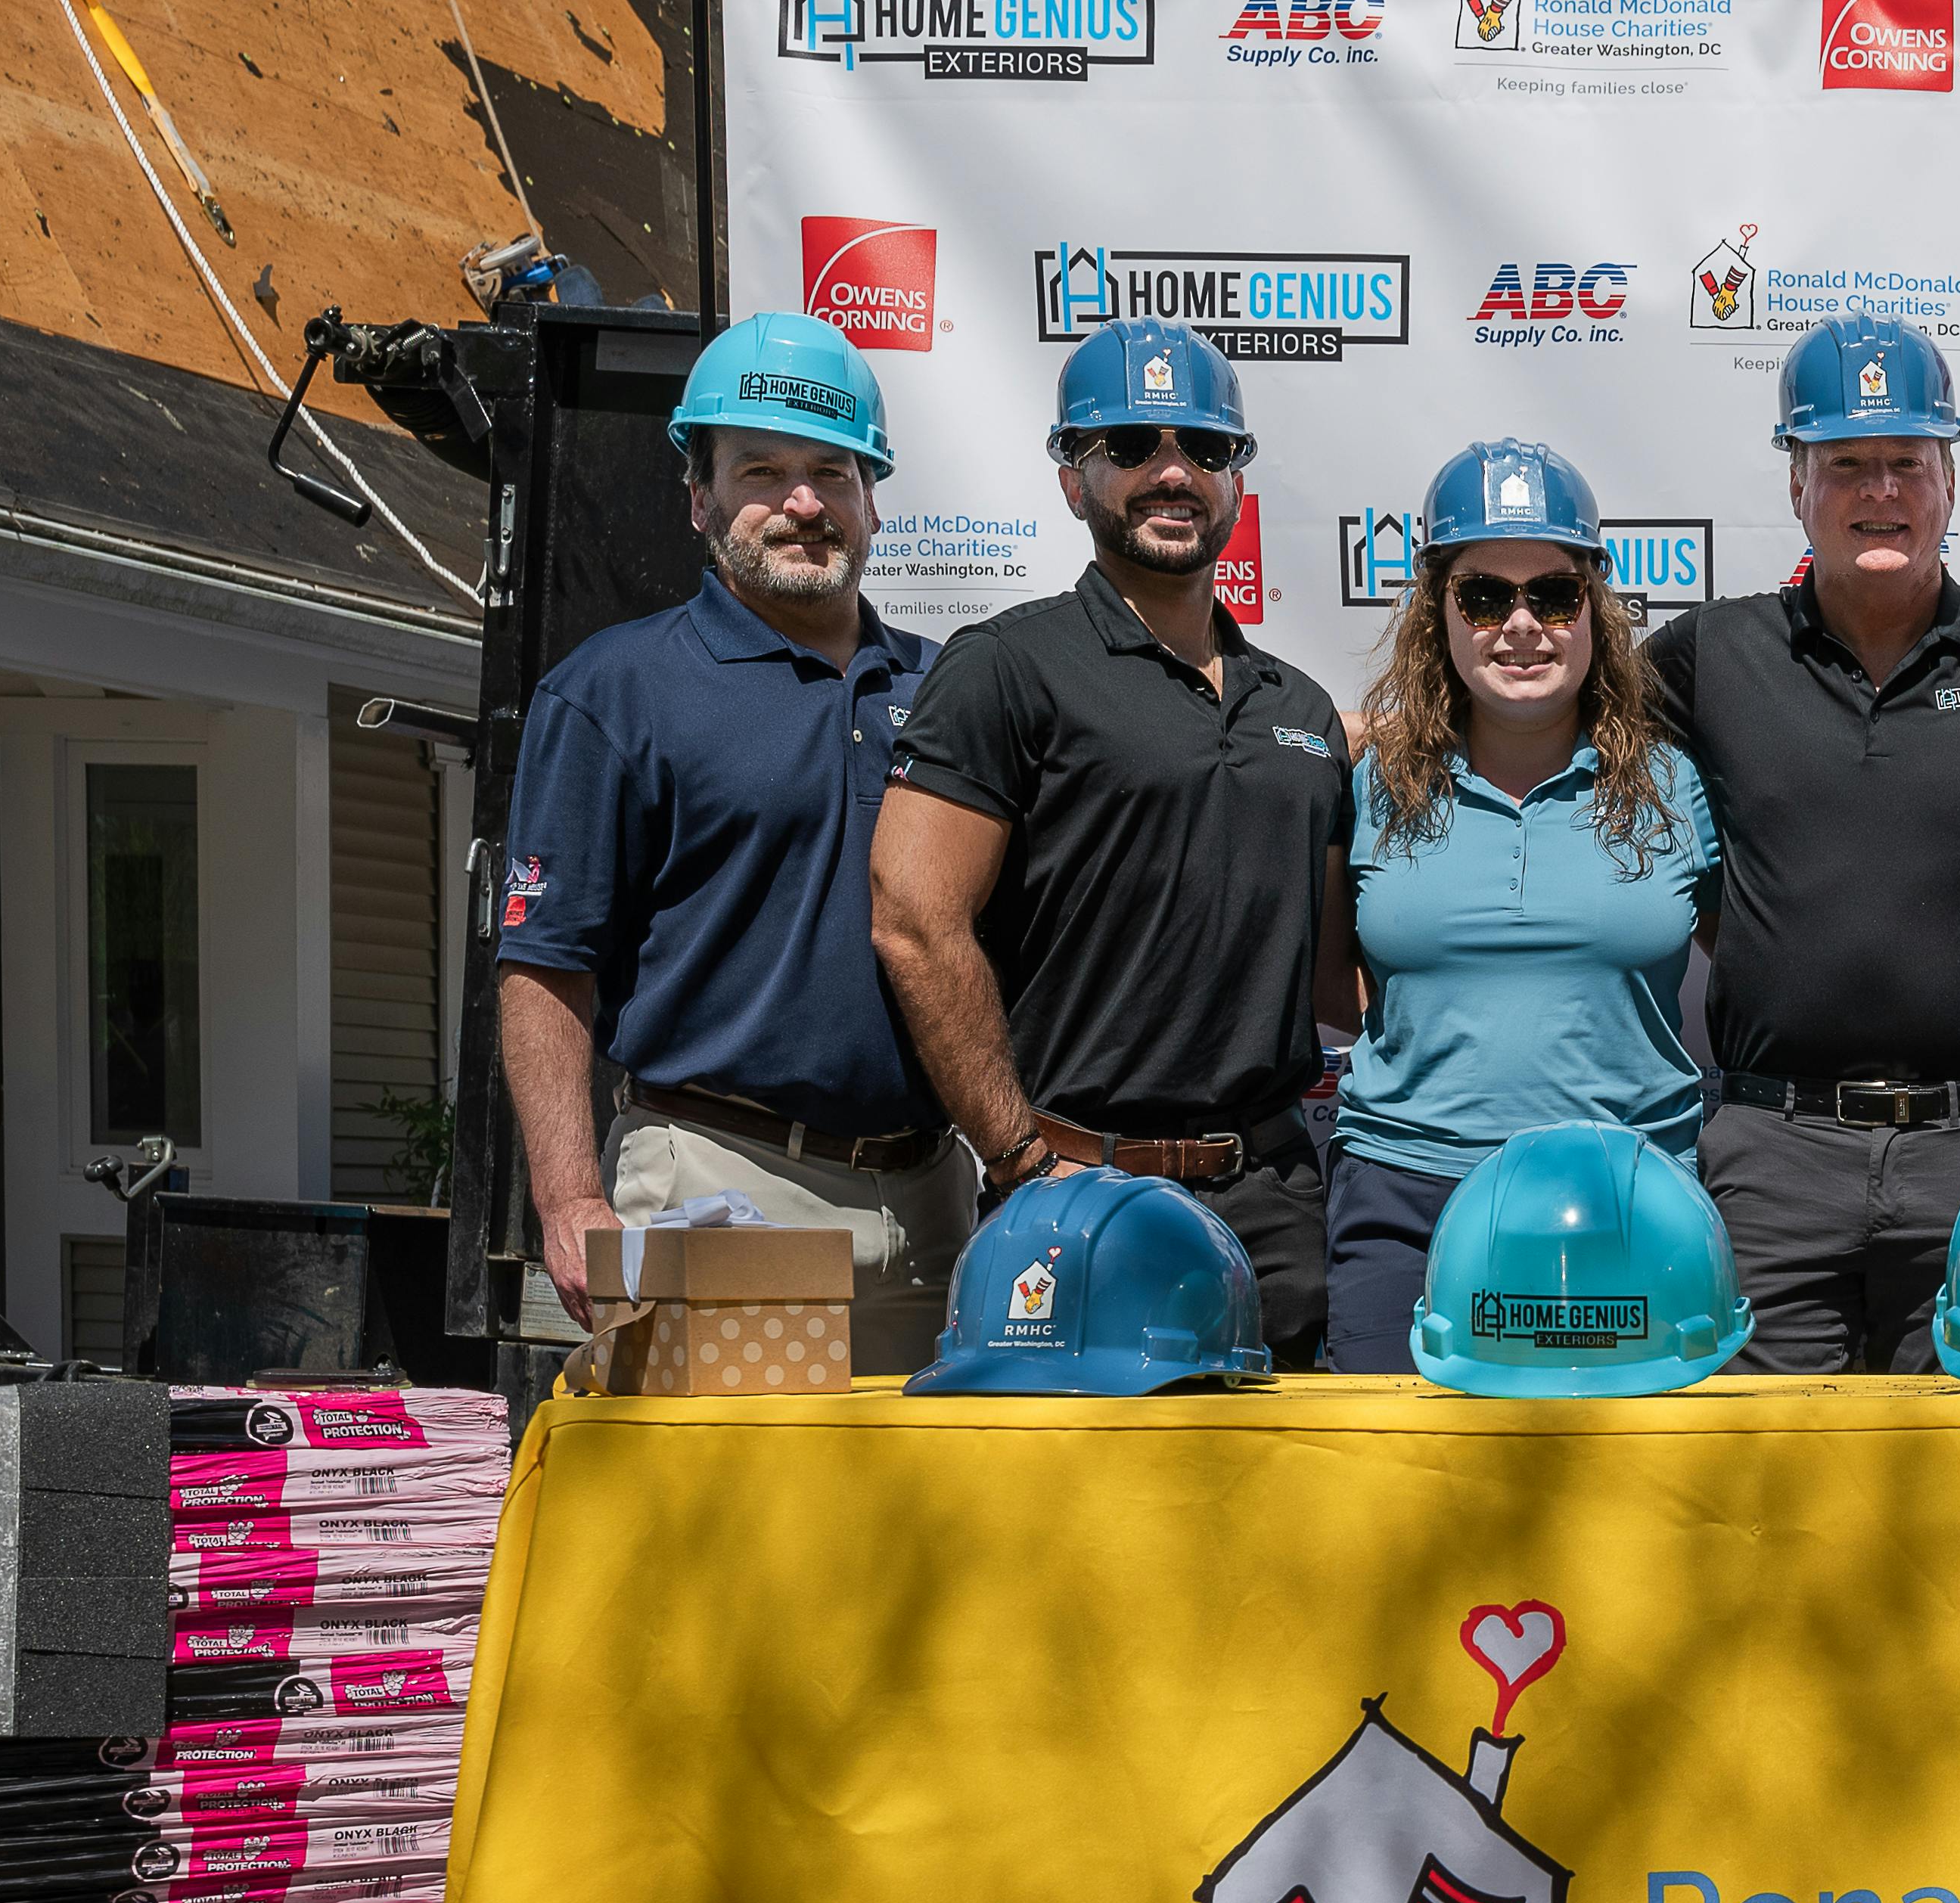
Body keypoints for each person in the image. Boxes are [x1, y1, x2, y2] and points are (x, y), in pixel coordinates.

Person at [870, 316, 1354, 1369]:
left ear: (1235, 479)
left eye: (1204, 449)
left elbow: (1335, 987)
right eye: (1130, 446)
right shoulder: (1004, 666)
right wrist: (1018, 1158)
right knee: (1075, 1525)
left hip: (1274, 1200)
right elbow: (913, 921)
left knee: (1284, 1521)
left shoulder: (1304, 712)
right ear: (1070, 477)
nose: (1171, 472)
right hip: (1072, 1195)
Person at [492, 312, 970, 1371]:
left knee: (914, 1538)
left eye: (832, 472)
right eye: (761, 471)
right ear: (698, 496)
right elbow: (544, 965)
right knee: (736, 1532)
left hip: (936, 1201)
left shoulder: (948, 693)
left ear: (871, 497)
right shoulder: (615, 690)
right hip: (719, 1184)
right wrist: (568, 1195)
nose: (802, 502)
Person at [1642, 317, 1960, 1371]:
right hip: (1770, 1158)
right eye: (1846, 464)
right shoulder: (1708, 656)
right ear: (1795, 485)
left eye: (1908, 462)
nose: (1880, 491)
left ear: (1949, 482)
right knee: (1767, 1494)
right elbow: (1530, 704)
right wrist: (1357, 734)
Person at [1326, 439, 1719, 1367]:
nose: (1520, 625)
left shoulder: (1673, 786)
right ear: (1439, 614)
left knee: (1628, 1499)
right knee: (1393, 1485)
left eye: (1552, 593)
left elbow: (1759, 968)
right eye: (1482, 595)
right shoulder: (1370, 783)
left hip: (1629, 1200)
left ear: (1594, 608)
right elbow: (1319, 983)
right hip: (1406, 1200)